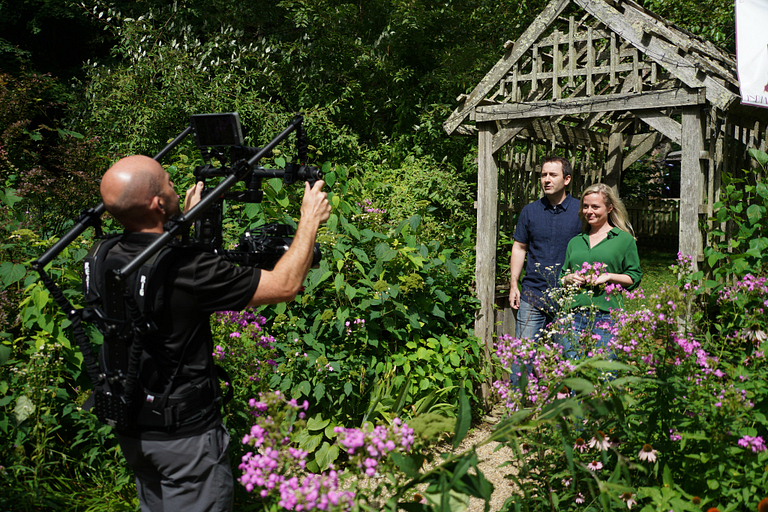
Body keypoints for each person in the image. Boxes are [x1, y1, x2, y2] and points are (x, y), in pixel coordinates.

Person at [98, 155, 331, 512]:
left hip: (136, 429)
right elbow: (285, 286)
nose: (177, 188)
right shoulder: (189, 270)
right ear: (158, 203)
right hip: (186, 440)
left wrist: (183, 223)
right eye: (169, 184)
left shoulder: (107, 256)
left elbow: (164, 286)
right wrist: (309, 220)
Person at [560, 183, 642, 357]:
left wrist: (609, 277)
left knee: (604, 374)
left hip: (607, 316)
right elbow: (562, 276)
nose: (589, 211)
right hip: (573, 316)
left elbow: (634, 277)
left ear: (610, 208)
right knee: (573, 372)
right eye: (586, 206)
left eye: (595, 206)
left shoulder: (623, 240)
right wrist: (569, 278)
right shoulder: (575, 241)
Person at [508, 156, 583, 340]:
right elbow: (519, 247)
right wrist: (513, 285)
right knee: (523, 355)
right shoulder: (530, 211)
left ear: (566, 179)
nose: (546, 179)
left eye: (552, 175)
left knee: (567, 358)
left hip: (570, 296)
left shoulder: (581, 211)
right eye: (543, 175)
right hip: (533, 294)